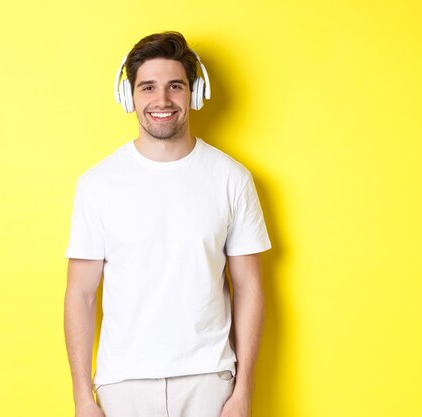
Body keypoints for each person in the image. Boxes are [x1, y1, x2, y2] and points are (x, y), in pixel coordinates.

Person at [63, 31, 271, 417]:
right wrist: (82, 397)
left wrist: (243, 391)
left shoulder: (231, 178)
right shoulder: (97, 185)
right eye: (148, 87)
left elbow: (249, 286)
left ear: (195, 92)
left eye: (175, 86)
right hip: (123, 383)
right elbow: (81, 294)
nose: (162, 101)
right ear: (129, 96)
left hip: (210, 380)